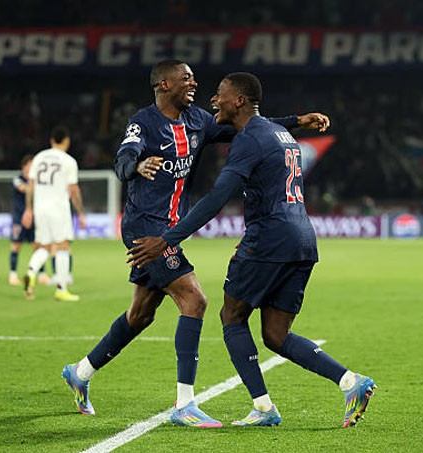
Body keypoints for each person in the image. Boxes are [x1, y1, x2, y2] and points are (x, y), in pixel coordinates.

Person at [61, 59, 330, 427]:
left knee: (140, 315)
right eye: (186, 78)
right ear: (164, 84)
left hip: (167, 229)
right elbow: (123, 159)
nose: (194, 83)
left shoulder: (198, 121)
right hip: (146, 229)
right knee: (195, 300)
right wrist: (136, 166)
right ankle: (184, 404)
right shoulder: (144, 122)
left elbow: (249, 125)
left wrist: (297, 121)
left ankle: (80, 372)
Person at [128, 72, 376, 428]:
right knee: (276, 335)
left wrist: (167, 239)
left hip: (271, 238)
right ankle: (351, 382)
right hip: (302, 239)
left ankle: (263, 406)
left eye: (220, 94)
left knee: (232, 316)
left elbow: (217, 197)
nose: (214, 100)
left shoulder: (248, 140)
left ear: (239, 101)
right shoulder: (280, 134)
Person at [21, 125, 86, 302]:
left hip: (40, 209)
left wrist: (28, 209)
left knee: (44, 247)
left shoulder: (39, 158)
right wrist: (80, 213)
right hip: (58, 209)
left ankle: (31, 273)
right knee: (63, 247)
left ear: (51, 141)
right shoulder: (68, 161)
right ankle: (61, 290)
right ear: (67, 141)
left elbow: (30, 186)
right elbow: (73, 191)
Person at [8, 154, 50, 286]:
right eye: (30, 165)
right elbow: (24, 189)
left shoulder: (36, 180)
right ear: (24, 166)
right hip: (19, 218)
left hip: (35, 217)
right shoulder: (18, 179)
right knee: (16, 246)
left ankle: (42, 274)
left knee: (38, 246)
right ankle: (13, 275)